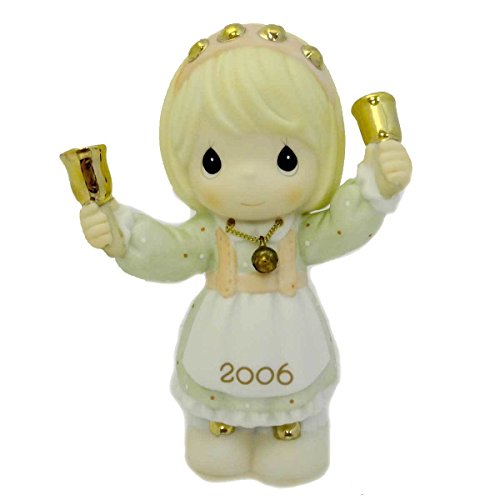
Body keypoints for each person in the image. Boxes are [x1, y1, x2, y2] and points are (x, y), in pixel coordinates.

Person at [79, 23, 412, 486]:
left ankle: (290, 431)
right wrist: (121, 234)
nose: (250, 178)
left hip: (288, 334)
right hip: (224, 336)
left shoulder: (299, 231)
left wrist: (377, 186)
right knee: (218, 405)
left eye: (285, 160)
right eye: (214, 161)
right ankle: (221, 427)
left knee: (293, 402)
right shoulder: (210, 232)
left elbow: (343, 226)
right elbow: (170, 251)